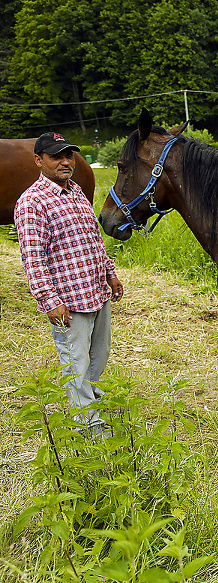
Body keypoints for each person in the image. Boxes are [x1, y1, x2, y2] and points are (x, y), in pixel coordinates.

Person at [14, 132, 124, 437]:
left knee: (97, 357)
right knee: (75, 361)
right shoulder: (31, 203)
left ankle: (91, 403)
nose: (66, 162)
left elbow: (93, 240)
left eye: (69, 155)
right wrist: (50, 301)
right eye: (56, 156)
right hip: (69, 300)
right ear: (39, 160)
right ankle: (88, 426)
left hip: (96, 291)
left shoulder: (75, 191)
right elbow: (33, 259)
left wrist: (110, 273)